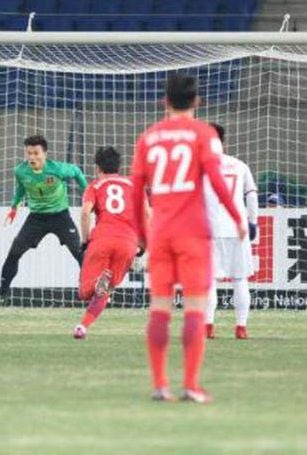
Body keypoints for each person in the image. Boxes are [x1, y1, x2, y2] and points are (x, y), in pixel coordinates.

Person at [131, 74, 246, 403]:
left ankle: (159, 384)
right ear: (197, 101)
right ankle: (191, 386)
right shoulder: (203, 134)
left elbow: (137, 192)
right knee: (195, 309)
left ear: (164, 101)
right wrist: (238, 218)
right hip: (194, 233)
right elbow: (217, 180)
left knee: (159, 310)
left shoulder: (149, 138)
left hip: (161, 233)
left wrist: (142, 235)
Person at [0, 134, 87, 306]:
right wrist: (14, 208)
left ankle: (95, 292)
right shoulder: (20, 171)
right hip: (36, 218)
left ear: (45, 154)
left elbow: (76, 171)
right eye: (29, 153)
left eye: (36, 153)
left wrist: (89, 195)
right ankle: (1, 295)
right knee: (14, 253)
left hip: (61, 216)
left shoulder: (57, 169)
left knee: (80, 253)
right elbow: (21, 188)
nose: (32, 157)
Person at [73, 147, 141, 339]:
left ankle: (96, 282)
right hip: (128, 242)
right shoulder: (133, 185)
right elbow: (146, 216)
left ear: (98, 167)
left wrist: (85, 239)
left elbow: (86, 212)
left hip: (103, 238)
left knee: (85, 292)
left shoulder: (95, 185)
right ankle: (82, 327)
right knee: (106, 290)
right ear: (119, 166)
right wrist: (143, 245)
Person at [204, 123, 258, 340]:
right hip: (238, 229)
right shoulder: (239, 165)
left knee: (209, 281)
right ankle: (241, 327)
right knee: (240, 279)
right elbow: (252, 195)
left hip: (210, 230)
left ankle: (208, 326)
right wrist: (252, 222)